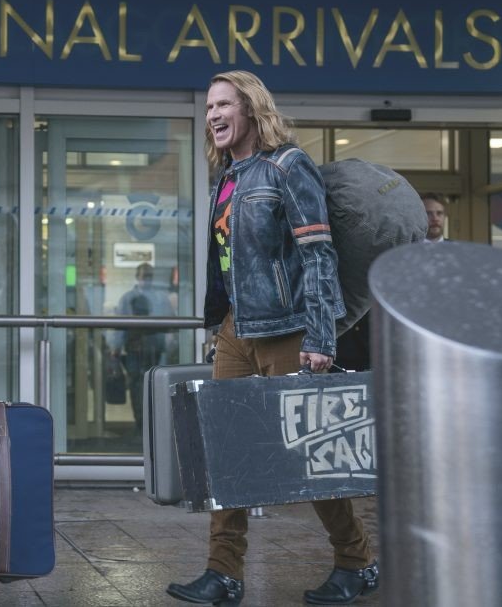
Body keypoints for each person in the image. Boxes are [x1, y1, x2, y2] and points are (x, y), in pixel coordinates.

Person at [166, 72, 377, 606]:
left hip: (288, 331)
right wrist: (220, 327)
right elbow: (228, 263)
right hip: (238, 332)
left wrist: (321, 336)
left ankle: (357, 561)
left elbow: (318, 254)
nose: (212, 115)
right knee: (226, 455)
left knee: (307, 455)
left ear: (251, 109)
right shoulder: (228, 177)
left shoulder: (288, 165)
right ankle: (224, 572)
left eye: (223, 105)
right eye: (208, 107)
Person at [111, 262, 175, 429]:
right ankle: (140, 423)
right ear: (137, 277)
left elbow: (170, 323)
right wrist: (115, 347)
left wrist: (169, 344)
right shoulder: (127, 298)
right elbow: (120, 326)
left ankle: (155, 424)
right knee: (136, 385)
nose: (146, 280)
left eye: (149, 276)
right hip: (134, 348)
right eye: (143, 277)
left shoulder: (160, 298)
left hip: (155, 347)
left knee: (156, 383)